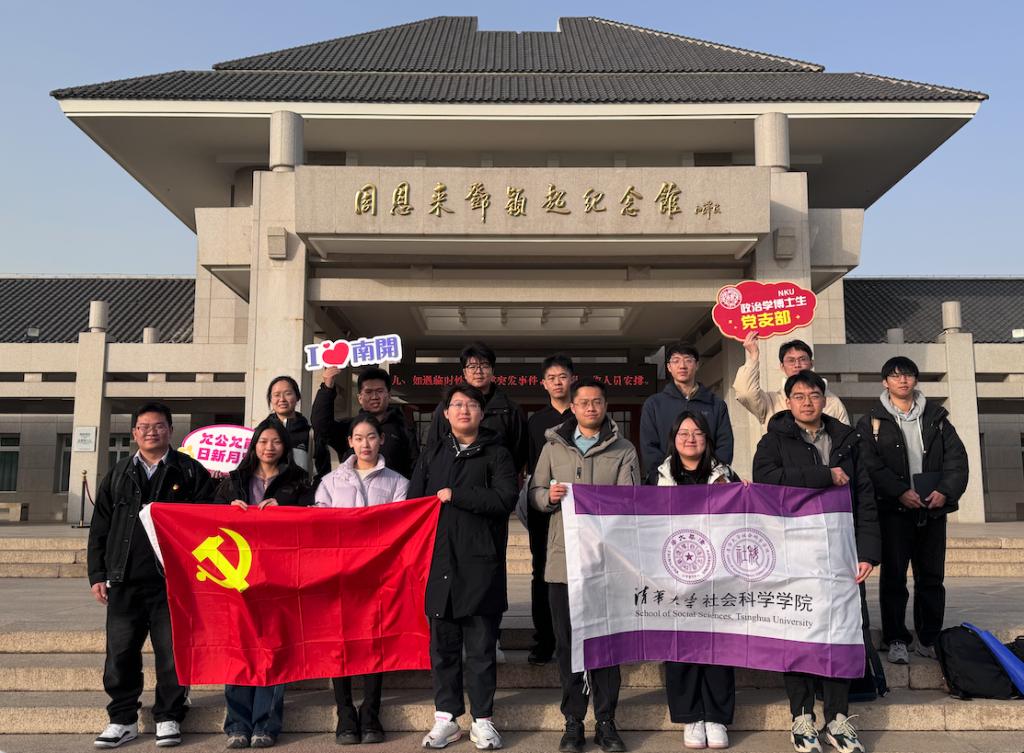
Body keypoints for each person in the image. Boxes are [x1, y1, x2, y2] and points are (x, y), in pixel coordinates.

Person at [753, 371, 880, 753]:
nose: (807, 402)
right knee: (797, 630)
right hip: (793, 553)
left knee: (840, 631)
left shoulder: (847, 439)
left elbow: (865, 496)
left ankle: (837, 718)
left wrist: (867, 552)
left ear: (825, 400)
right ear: (788, 402)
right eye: (799, 396)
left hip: (840, 553)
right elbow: (765, 479)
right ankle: (802, 716)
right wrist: (824, 475)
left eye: (813, 395)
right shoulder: (774, 440)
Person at [88, 402, 214, 749]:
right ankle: (122, 719)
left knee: (171, 652)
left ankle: (169, 715)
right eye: (144, 427)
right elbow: (101, 526)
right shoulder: (118, 473)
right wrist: (98, 573)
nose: (151, 432)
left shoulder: (189, 471)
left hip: (172, 581)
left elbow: (208, 522)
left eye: (158, 426)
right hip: (124, 579)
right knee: (120, 653)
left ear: (170, 431)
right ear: (134, 433)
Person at [529, 378, 639, 753]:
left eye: (597, 402)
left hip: (607, 563)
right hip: (563, 563)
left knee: (607, 643)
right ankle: (573, 721)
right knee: (568, 644)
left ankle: (606, 721)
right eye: (584, 403)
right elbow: (534, 493)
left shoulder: (623, 449)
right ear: (572, 408)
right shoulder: (553, 447)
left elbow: (630, 500)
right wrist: (549, 496)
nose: (591, 408)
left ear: (605, 406)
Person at [410, 384, 518, 750]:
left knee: (481, 650)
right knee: (443, 649)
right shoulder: (432, 455)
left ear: (481, 413)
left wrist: (458, 496)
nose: (464, 410)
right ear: (445, 413)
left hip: (481, 565)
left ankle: (483, 720)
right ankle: (446, 717)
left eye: (471, 404)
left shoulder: (497, 453)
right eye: (457, 404)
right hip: (439, 563)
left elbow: (505, 499)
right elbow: (415, 503)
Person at [857, 357, 969, 664]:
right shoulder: (871, 422)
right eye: (895, 376)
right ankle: (896, 638)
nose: (902, 380)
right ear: (885, 382)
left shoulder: (937, 418)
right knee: (894, 577)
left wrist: (945, 491)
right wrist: (899, 491)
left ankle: (929, 638)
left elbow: (957, 460)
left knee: (931, 577)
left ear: (916, 380)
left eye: (908, 375)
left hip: (932, 508)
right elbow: (869, 464)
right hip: (894, 510)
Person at [214, 417, 313, 748]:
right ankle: (237, 724)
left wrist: (284, 508)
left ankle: (266, 724)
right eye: (263, 441)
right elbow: (209, 520)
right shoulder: (233, 480)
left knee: (272, 649)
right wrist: (228, 509)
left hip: (278, 576)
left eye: (276, 441)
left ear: (285, 446)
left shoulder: (298, 482)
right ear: (254, 445)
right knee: (240, 649)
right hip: (238, 576)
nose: (269, 447)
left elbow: (312, 519)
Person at [315, 415, 410, 745]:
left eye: (371, 437)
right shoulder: (330, 482)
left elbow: (400, 525)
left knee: (374, 641)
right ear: (349, 442)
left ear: (381, 439)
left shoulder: (397, 482)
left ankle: (370, 712)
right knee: (339, 642)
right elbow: (319, 526)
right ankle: (345, 712)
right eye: (358, 437)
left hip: (378, 576)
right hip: (339, 574)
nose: (365, 443)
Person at [652, 410, 739, 751]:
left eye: (698, 433)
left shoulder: (724, 475)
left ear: (707, 439)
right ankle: (691, 716)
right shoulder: (657, 477)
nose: (691, 438)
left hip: (717, 575)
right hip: (674, 575)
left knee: (718, 646)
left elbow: (742, 518)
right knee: (681, 645)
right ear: (673, 439)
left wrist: (742, 492)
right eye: (684, 433)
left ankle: (716, 716)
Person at [523, 354, 575, 666]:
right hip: (545, 507)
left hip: (578, 507)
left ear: (572, 379)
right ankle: (544, 640)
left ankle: (577, 637)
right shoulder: (535, 421)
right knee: (541, 571)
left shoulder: (583, 414)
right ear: (543, 384)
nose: (557, 382)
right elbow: (531, 468)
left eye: (563, 376)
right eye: (551, 378)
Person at [426, 342, 528, 473]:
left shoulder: (511, 410)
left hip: (496, 479)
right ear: (464, 372)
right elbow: (434, 446)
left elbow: (519, 454)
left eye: (484, 366)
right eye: (472, 366)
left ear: (492, 370)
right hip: (453, 478)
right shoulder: (448, 407)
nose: (478, 371)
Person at [640, 342, 733, 482]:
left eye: (688, 360)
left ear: (697, 365)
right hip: (666, 482)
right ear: (669, 367)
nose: (682, 366)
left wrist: (713, 475)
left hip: (708, 482)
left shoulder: (716, 404)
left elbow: (724, 445)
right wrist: (664, 476)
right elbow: (649, 447)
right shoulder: (654, 404)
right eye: (676, 361)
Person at [311, 366, 420, 479]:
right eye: (368, 392)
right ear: (360, 398)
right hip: (353, 489)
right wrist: (327, 388)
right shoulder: (350, 428)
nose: (374, 397)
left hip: (394, 489)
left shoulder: (403, 427)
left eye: (379, 391)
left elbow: (415, 468)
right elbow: (321, 425)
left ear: (389, 395)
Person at [733, 335, 850, 430]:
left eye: (802, 359)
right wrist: (753, 356)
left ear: (811, 363)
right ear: (782, 366)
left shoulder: (831, 401)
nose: (797, 365)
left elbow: (845, 439)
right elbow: (745, 393)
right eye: (791, 360)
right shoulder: (771, 402)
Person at [265, 375, 313, 471]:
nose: (282, 399)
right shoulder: (260, 433)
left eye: (288, 394)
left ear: (297, 397)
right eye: (277, 395)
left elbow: (321, 472)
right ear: (270, 399)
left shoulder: (310, 434)